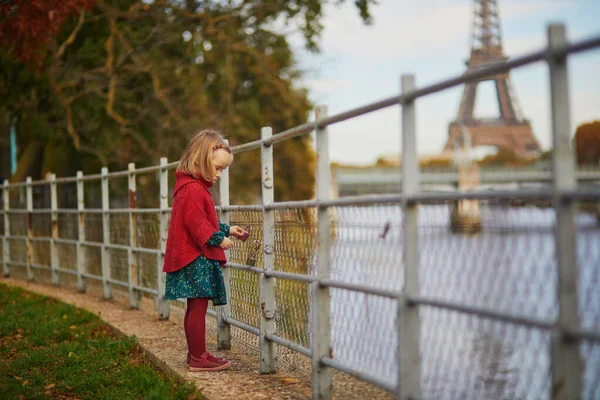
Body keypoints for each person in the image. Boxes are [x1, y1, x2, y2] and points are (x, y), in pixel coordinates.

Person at [163, 129, 244, 371]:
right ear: (202, 158)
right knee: (197, 307)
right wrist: (218, 239)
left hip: (192, 255)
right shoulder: (193, 189)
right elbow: (195, 223)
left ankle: (195, 355)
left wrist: (227, 229)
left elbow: (202, 219)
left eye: (222, 170)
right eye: (218, 168)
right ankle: (199, 357)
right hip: (194, 257)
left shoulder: (190, 187)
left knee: (195, 307)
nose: (219, 174)